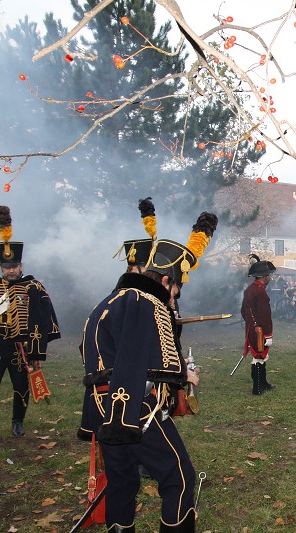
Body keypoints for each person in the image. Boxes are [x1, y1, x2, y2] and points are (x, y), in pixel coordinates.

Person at [78, 212, 216, 532]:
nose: (173, 299)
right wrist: (182, 374)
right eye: (175, 291)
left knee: (122, 483)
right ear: (166, 280)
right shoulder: (145, 302)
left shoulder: (109, 301)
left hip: (103, 411)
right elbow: (150, 360)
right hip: (132, 410)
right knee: (179, 477)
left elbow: (102, 356)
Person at [0, 206, 60, 447]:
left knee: (21, 385)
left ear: (21, 266)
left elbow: (44, 317)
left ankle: (17, 421)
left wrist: (36, 349)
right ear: (2, 266)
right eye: (7, 267)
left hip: (21, 345)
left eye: (15, 266)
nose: (10, 270)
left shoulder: (33, 287)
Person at [241, 254, 276, 395]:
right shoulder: (259, 291)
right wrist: (267, 333)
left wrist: (250, 323)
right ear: (264, 276)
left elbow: (244, 311)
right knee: (258, 357)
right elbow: (264, 315)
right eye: (269, 275)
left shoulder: (250, 289)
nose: (270, 278)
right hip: (259, 330)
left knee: (261, 356)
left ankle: (263, 383)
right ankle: (258, 387)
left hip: (253, 328)